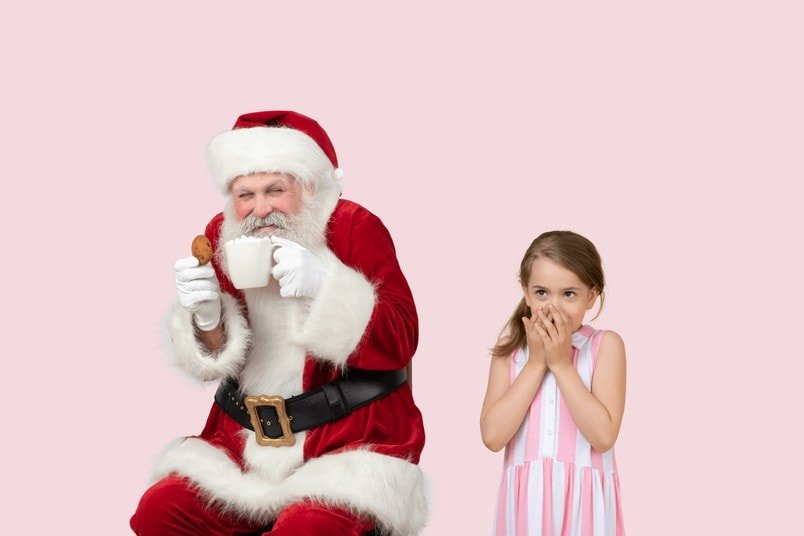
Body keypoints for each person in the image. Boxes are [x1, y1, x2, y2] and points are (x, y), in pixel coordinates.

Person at [131, 111, 427, 536]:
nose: (260, 209)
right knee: (159, 513)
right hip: (240, 448)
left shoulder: (353, 226)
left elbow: (403, 336)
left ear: (307, 187)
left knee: (304, 530)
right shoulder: (222, 233)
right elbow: (217, 357)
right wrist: (206, 319)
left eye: (275, 190)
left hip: (345, 447)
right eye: (245, 194)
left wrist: (326, 285)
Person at [480, 231, 626, 535]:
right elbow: (493, 437)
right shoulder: (511, 351)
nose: (553, 307)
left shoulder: (604, 346)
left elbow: (603, 436)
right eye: (542, 293)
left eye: (568, 294)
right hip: (525, 507)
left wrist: (560, 364)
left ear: (592, 294)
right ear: (526, 292)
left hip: (584, 507)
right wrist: (536, 362)